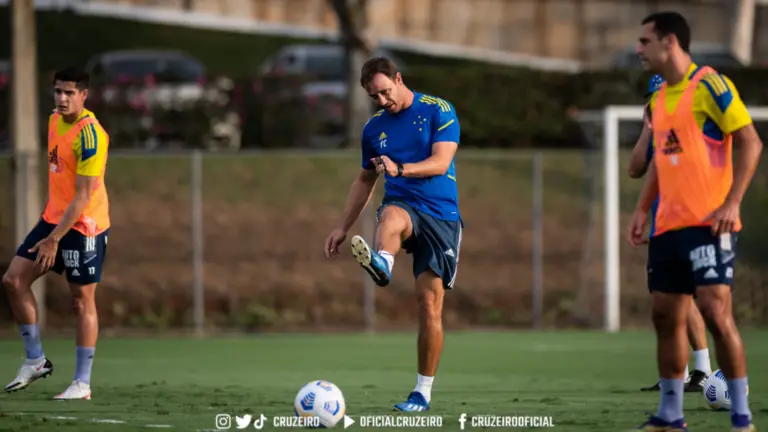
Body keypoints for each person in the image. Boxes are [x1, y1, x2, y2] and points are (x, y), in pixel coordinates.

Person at [629, 12, 762, 432]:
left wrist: (733, 202)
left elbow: (750, 141)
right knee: (665, 317)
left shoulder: (711, 84)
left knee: (715, 311)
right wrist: (640, 208)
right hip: (667, 226)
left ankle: (741, 415)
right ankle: (671, 414)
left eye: (645, 41)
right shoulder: (658, 99)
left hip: (709, 224)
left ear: (669, 42)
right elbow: (656, 165)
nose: (639, 49)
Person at [324, 57, 461, 412]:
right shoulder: (373, 130)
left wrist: (400, 168)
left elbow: (441, 163)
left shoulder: (438, 110)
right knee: (392, 215)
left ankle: (422, 393)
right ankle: (382, 261)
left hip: (442, 216)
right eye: (375, 96)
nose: (382, 101)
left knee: (429, 306)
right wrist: (343, 227)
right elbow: (366, 180)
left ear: (398, 79)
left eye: (385, 92)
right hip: (403, 204)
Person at [3, 66, 110, 400]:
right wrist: (50, 229)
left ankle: (82, 383)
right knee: (13, 280)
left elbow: (83, 196)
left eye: (69, 93)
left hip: (84, 224)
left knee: (81, 301)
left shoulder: (91, 135)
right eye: (58, 92)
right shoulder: (53, 120)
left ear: (83, 95)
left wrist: (54, 239)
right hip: (54, 219)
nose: (62, 99)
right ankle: (35, 360)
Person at [629, 74, 712, 394]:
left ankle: (705, 372)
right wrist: (647, 127)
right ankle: (682, 374)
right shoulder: (658, 129)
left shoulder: (689, 126)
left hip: (695, 220)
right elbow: (635, 169)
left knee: (698, 299)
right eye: (653, 97)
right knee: (668, 301)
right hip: (663, 223)